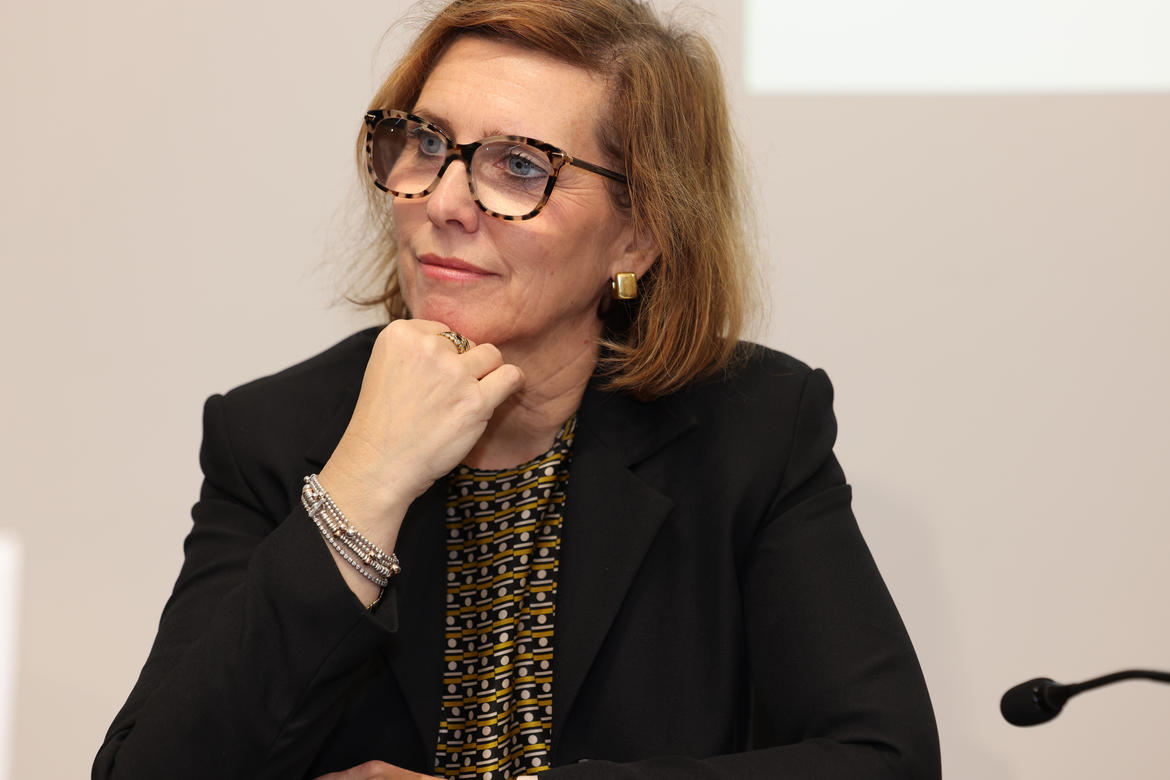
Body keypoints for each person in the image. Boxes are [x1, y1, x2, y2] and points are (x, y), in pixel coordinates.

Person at [94, 1, 941, 778]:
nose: (445, 201)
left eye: (519, 166)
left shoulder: (751, 428)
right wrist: (361, 488)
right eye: (427, 144)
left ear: (638, 236)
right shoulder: (273, 435)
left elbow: (885, 761)